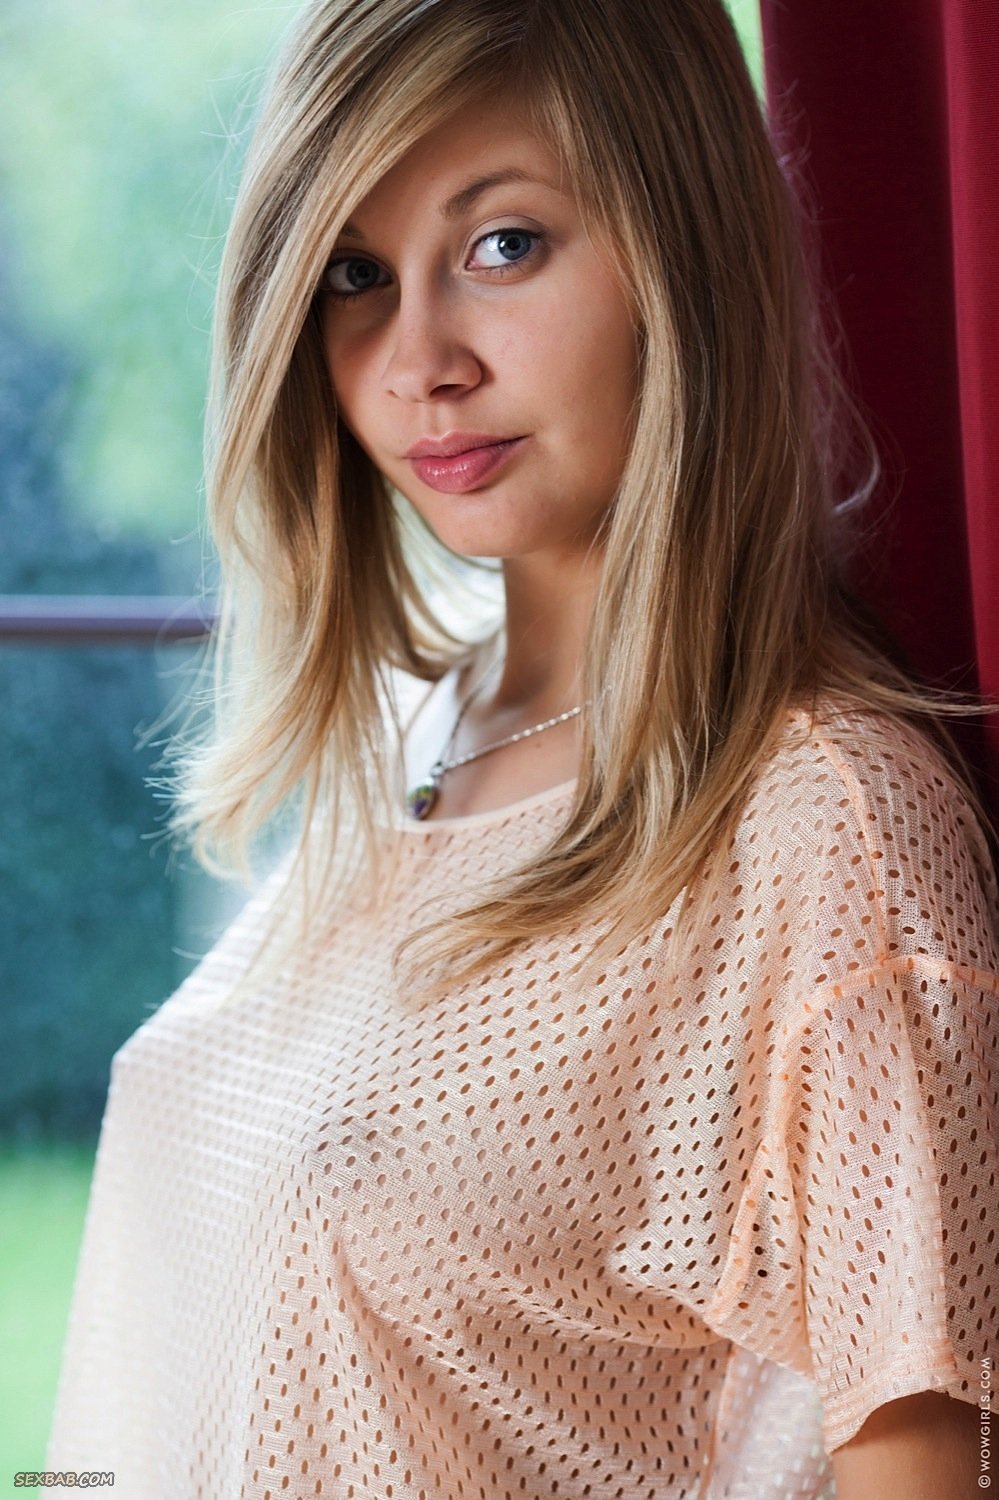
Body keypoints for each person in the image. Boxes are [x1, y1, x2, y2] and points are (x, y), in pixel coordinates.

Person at [46, 0, 998, 1495]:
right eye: (356, 274)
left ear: (683, 254)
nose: (416, 361)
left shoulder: (826, 827)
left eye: (503, 246)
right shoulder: (412, 737)